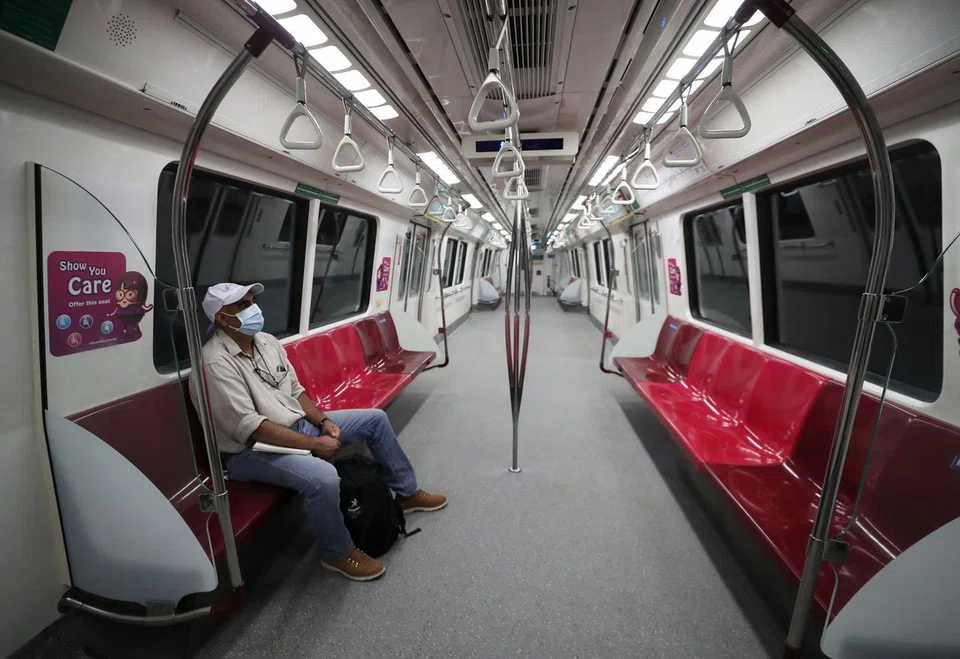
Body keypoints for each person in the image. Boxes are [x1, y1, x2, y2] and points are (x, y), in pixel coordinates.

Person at [190, 282, 447, 582]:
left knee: (374, 420)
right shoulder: (214, 363)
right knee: (324, 478)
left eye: (252, 302)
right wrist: (314, 444)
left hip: (297, 424)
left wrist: (324, 421)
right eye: (243, 306)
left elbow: (295, 391)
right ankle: (337, 552)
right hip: (250, 451)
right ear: (222, 318)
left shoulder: (266, 342)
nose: (254, 309)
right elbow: (253, 428)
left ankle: (407, 493)